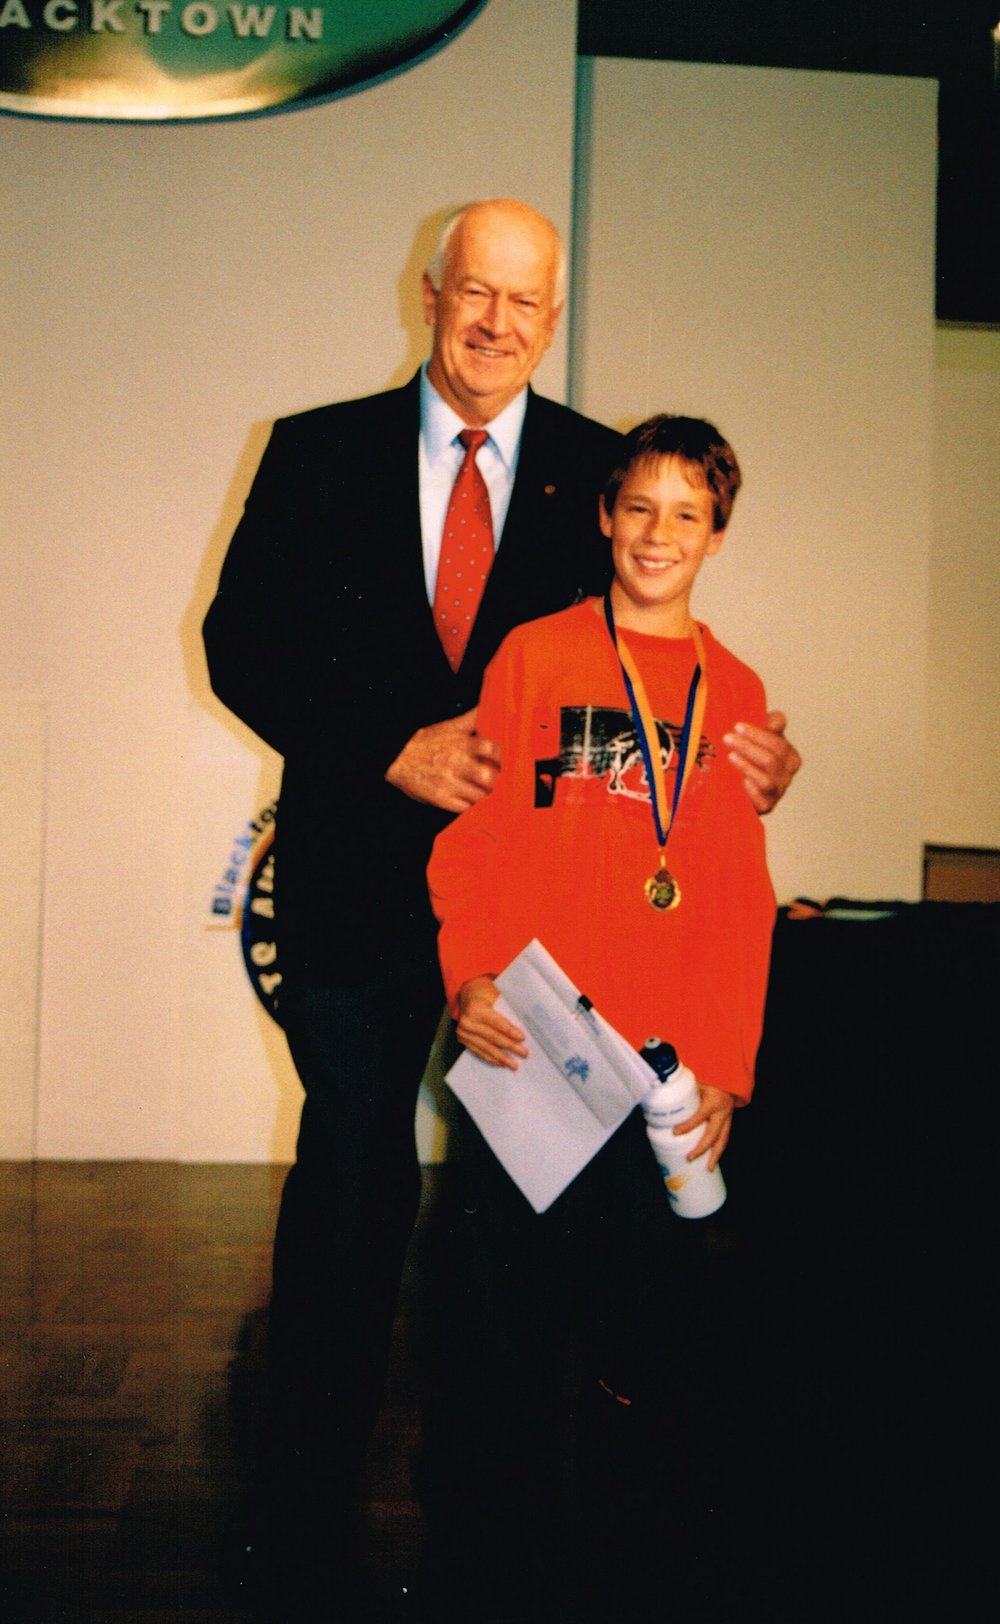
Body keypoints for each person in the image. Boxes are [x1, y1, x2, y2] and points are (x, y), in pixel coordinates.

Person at [201, 200, 799, 1620]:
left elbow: (668, 689)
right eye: (476, 293)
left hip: (544, 940)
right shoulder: (317, 449)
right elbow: (239, 645)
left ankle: (509, 1505)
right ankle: (306, 1507)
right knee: (353, 1183)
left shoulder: (605, 469)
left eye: (526, 304)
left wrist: (762, 758)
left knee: (515, 1228)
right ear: (431, 293)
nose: (496, 324)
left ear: (551, 317)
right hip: (359, 888)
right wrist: (377, 748)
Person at [424, 414, 776, 1623]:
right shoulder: (533, 656)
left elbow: (737, 898)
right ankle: (486, 1567)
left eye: (687, 514)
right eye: (639, 507)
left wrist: (724, 1064)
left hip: (659, 1074)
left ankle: (618, 1571)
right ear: (601, 515)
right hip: (532, 1052)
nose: (657, 534)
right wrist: (468, 975)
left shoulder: (736, 694)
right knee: (501, 1338)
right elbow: (469, 843)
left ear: (717, 535)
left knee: (639, 1346)